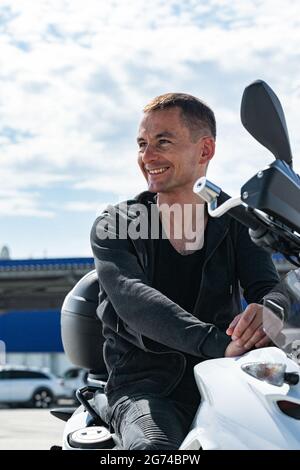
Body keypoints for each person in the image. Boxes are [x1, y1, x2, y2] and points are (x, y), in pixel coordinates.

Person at [90, 93, 288, 450]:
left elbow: (267, 286)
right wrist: (220, 343)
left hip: (224, 380)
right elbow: (136, 302)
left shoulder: (234, 220)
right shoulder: (117, 223)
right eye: (142, 144)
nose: (147, 156)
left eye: (163, 142)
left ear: (205, 150)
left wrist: (269, 310)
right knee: (155, 451)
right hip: (146, 387)